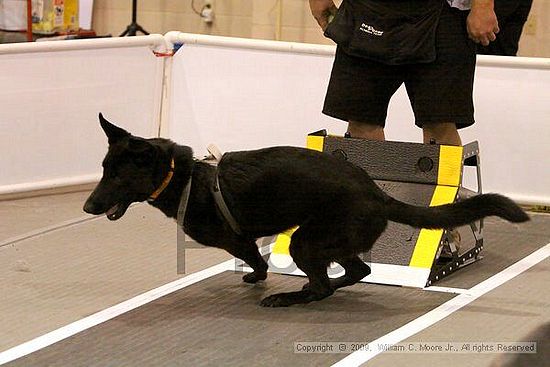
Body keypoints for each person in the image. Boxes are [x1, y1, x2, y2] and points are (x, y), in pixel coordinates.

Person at [309, 0, 500, 146]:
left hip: (444, 12)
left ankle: (443, 199)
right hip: (369, 10)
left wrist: (483, 5)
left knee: (440, 122)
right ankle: (368, 197)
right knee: (361, 119)